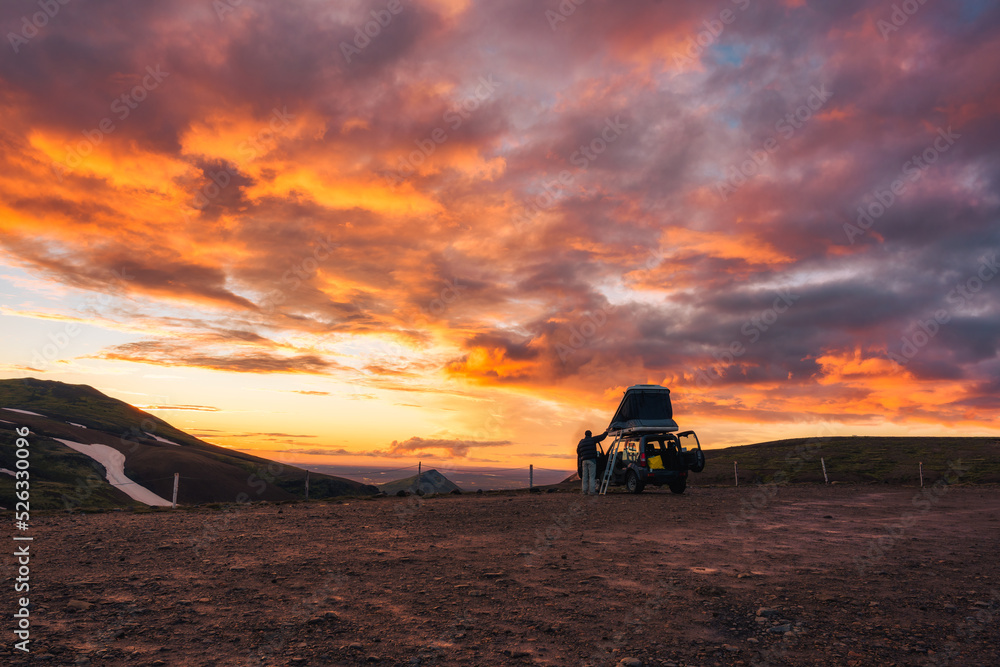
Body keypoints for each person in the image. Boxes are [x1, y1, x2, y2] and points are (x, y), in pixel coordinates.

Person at [577, 428, 609, 495]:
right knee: (592, 476)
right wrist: (606, 432)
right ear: (590, 435)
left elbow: (578, 451)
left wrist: (583, 455)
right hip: (592, 460)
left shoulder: (581, 442)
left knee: (585, 476)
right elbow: (601, 437)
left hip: (584, 461)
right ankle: (592, 491)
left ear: (585, 435)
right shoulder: (593, 439)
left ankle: (584, 491)